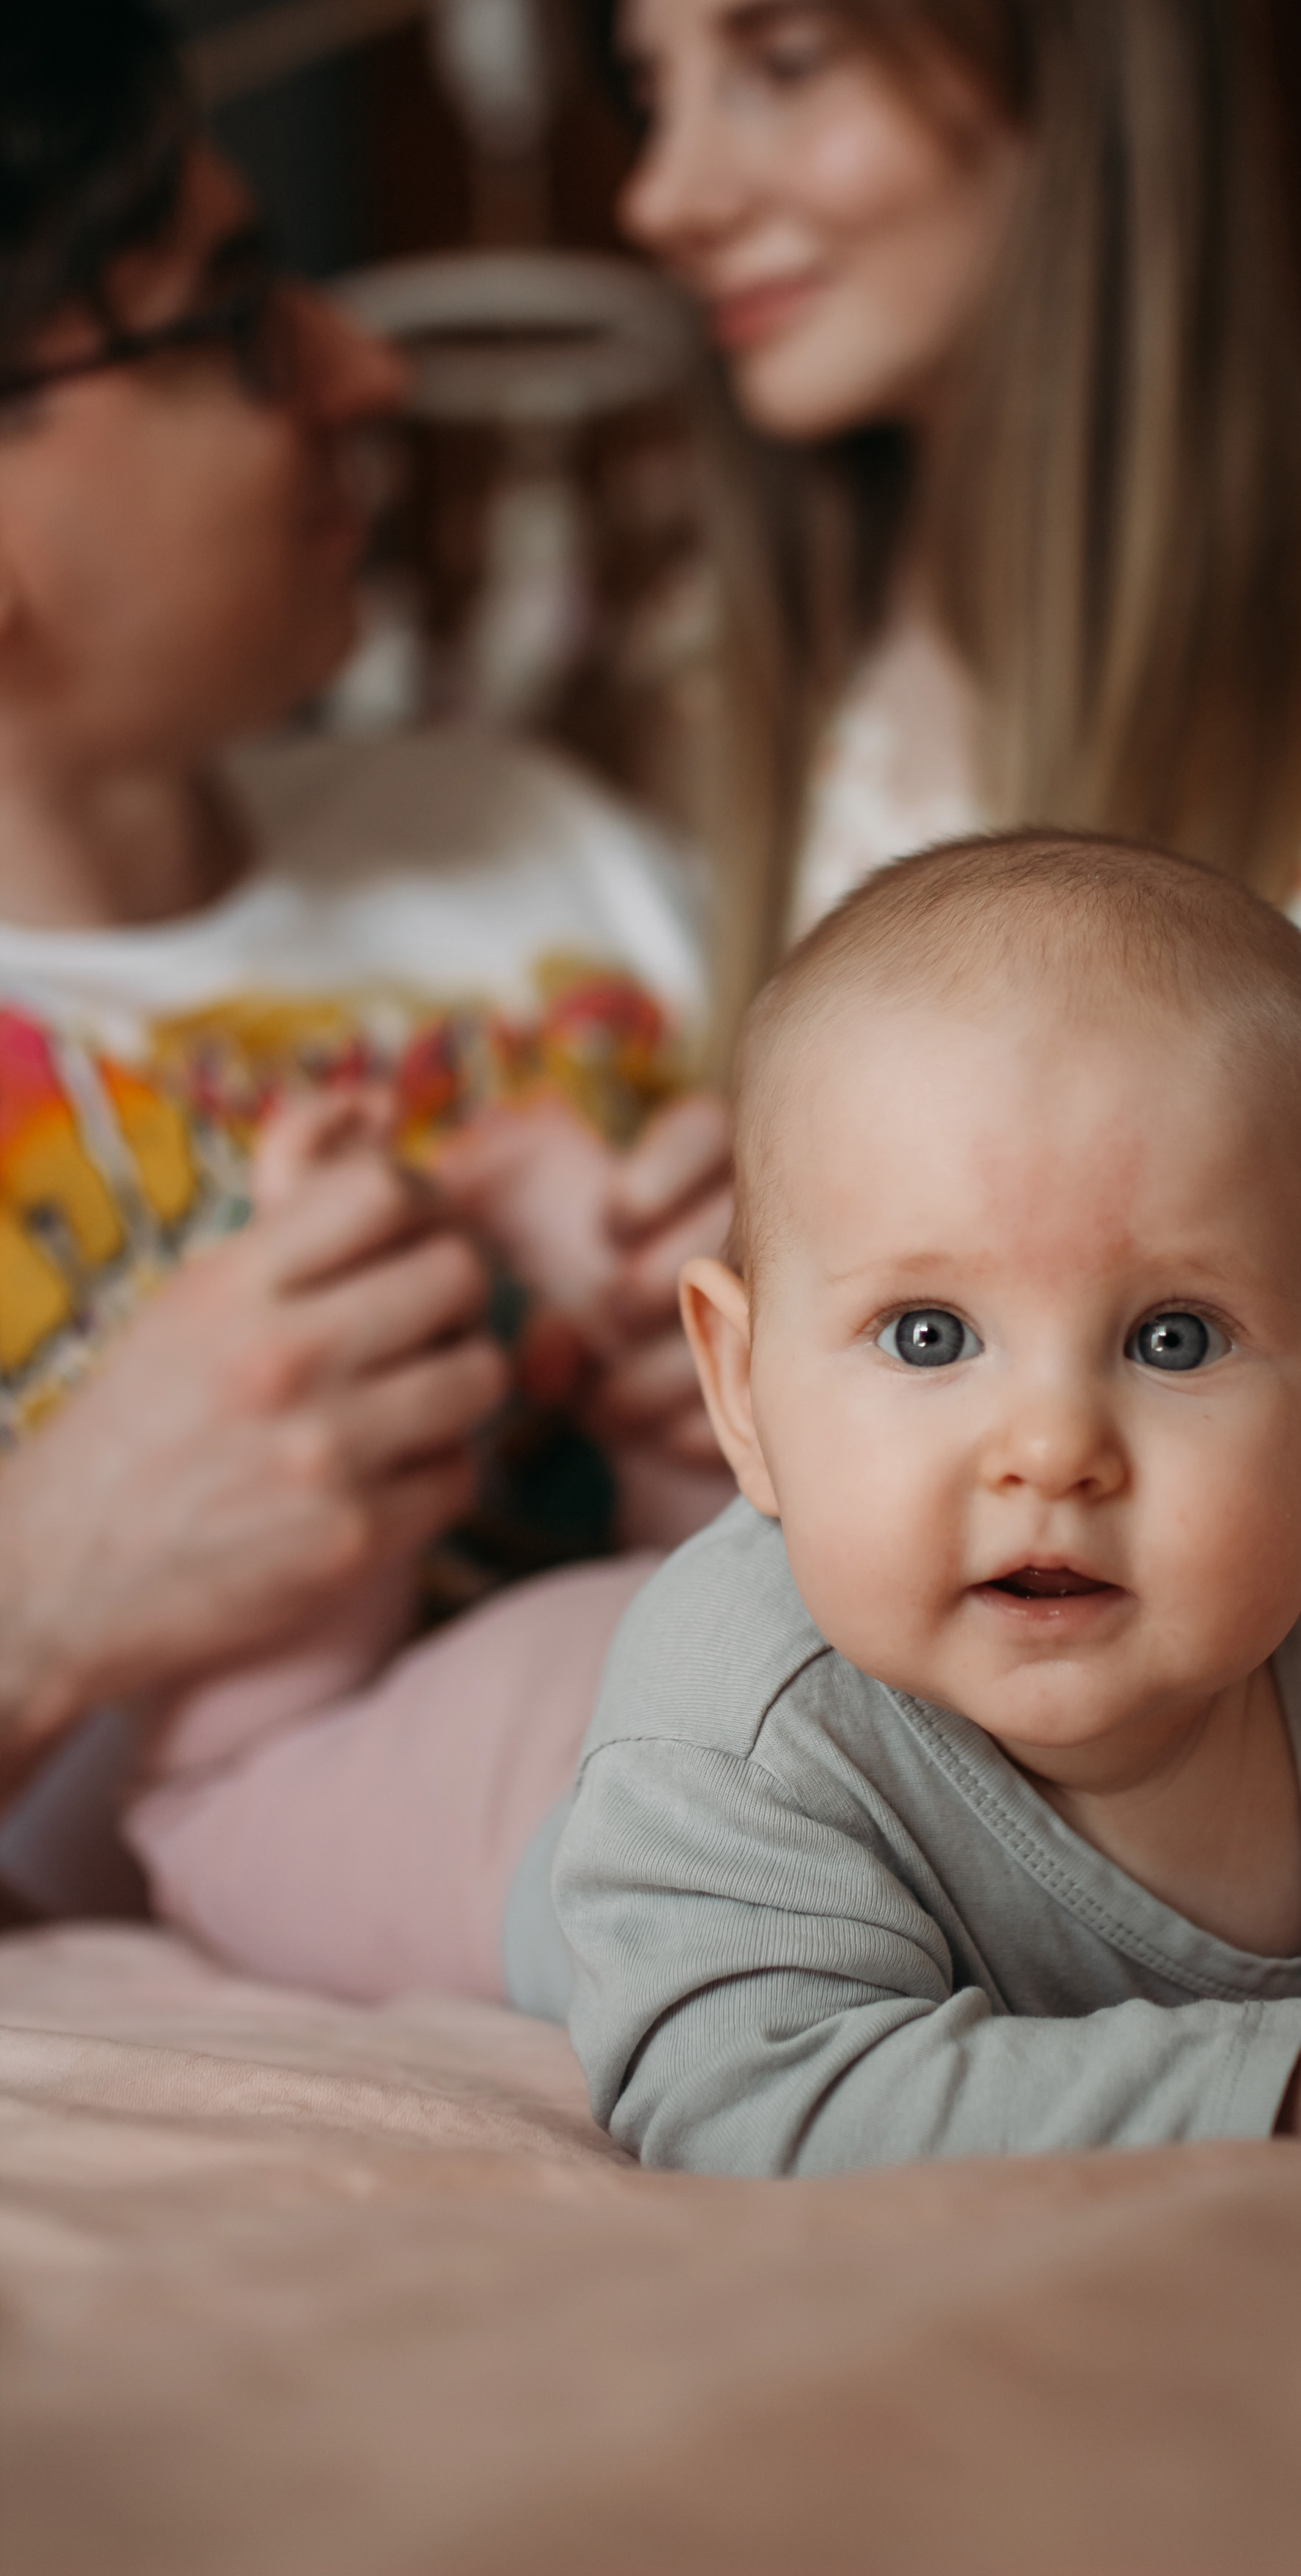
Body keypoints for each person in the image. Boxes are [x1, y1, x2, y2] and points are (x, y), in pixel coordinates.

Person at [584, 0, 1301, 1722]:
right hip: (1180, 1867)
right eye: (647, 92)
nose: (663, 195)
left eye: (785, 59)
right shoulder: (749, 718)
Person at [555, 832, 1301, 2174]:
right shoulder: (725, 1740)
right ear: (743, 1391)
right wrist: (1285, 2072)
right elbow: (751, 2091)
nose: (1050, 1451)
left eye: (1173, 1339)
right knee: (285, 1814)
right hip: (499, 1756)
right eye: (928, 1335)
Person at [0, 0, 733, 1905]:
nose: (364, 373)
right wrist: (46, 1589)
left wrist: (811, 1299)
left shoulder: (528, 828)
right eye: (238, 317)